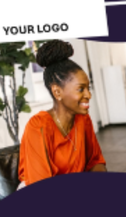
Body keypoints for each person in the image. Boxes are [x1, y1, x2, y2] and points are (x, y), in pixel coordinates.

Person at [14, 39, 106, 187]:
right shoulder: (38, 127)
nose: (89, 95)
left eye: (88, 88)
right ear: (57, 92)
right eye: (81, 89)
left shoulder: (83, 119)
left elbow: (96, 162)